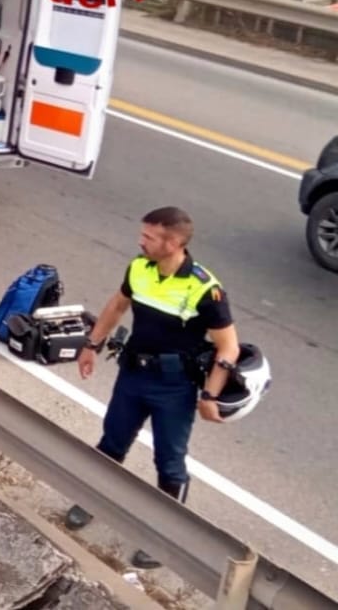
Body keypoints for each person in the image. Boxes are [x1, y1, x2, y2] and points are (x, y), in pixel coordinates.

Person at [64, 207, 241, 570]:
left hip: (174, 386)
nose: (140, 241)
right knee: (111, 443)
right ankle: (93, 499)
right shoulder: (139, 267)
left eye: (149, 237)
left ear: (173, 243)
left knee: (169, 462)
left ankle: (165, 538)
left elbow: (229, 347)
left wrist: (209, 396)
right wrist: (92, 345)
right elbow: (117, 305)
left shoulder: (205, 288)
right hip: (133, 374)